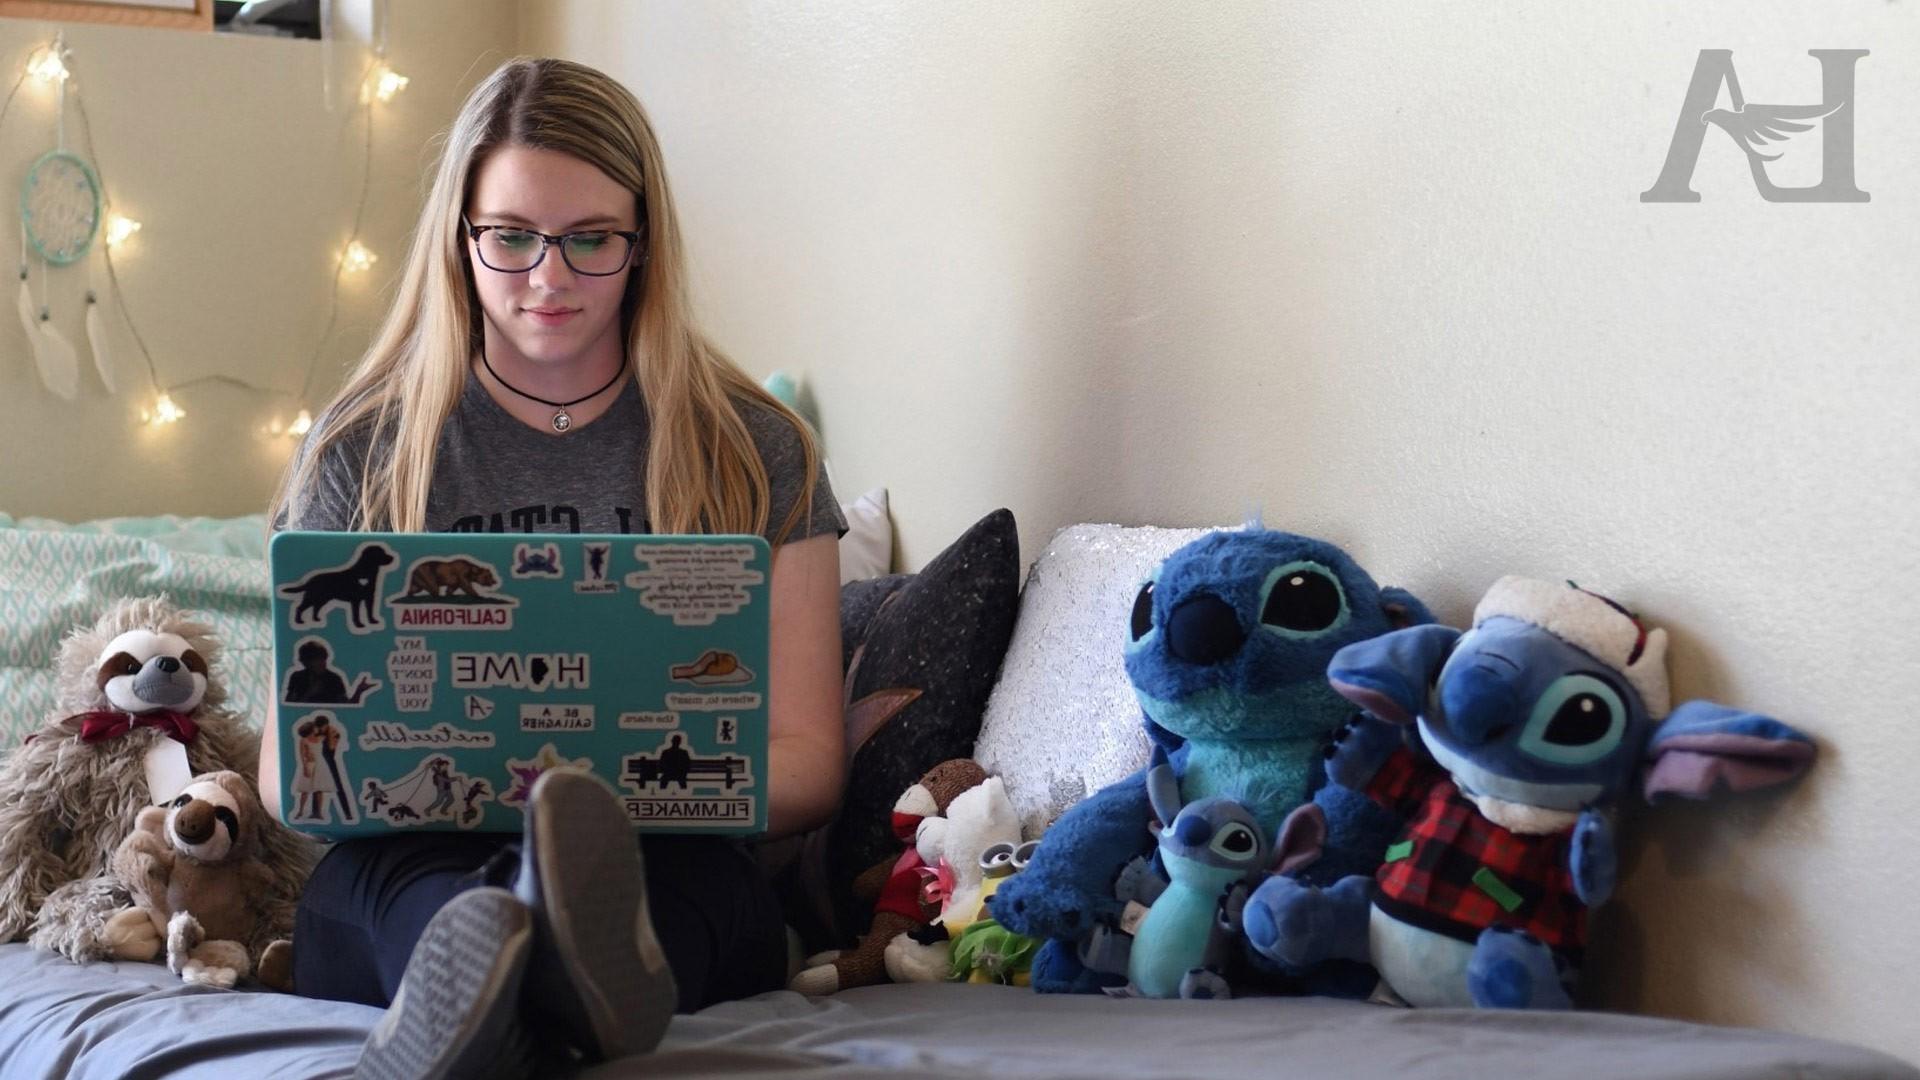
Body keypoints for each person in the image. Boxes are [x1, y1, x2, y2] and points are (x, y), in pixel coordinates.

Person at [260, 56, 847, 1080]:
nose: (549, 277)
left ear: (643, 240)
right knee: (397, 897)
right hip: (414, 853)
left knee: (700, 901)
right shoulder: (362, 446)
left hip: (665, 858)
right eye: (513, 238)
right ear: (461, 239)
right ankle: (536, 980)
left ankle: (509, 1004)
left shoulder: (758, 446)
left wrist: (615, 798)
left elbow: (808, 762)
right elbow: (284, 773)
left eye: (591, 240)